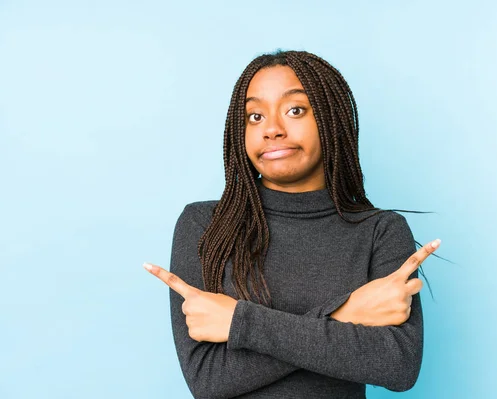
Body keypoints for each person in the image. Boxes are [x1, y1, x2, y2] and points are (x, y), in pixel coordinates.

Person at [143, 49, 441, 399]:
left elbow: (398, 366)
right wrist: (345, 315)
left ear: (331, 119)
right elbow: (209, 380)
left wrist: (240, 323)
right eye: (254, 116)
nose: (271, 129)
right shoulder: (206, 225)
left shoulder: (381, 231)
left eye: (295, 110)